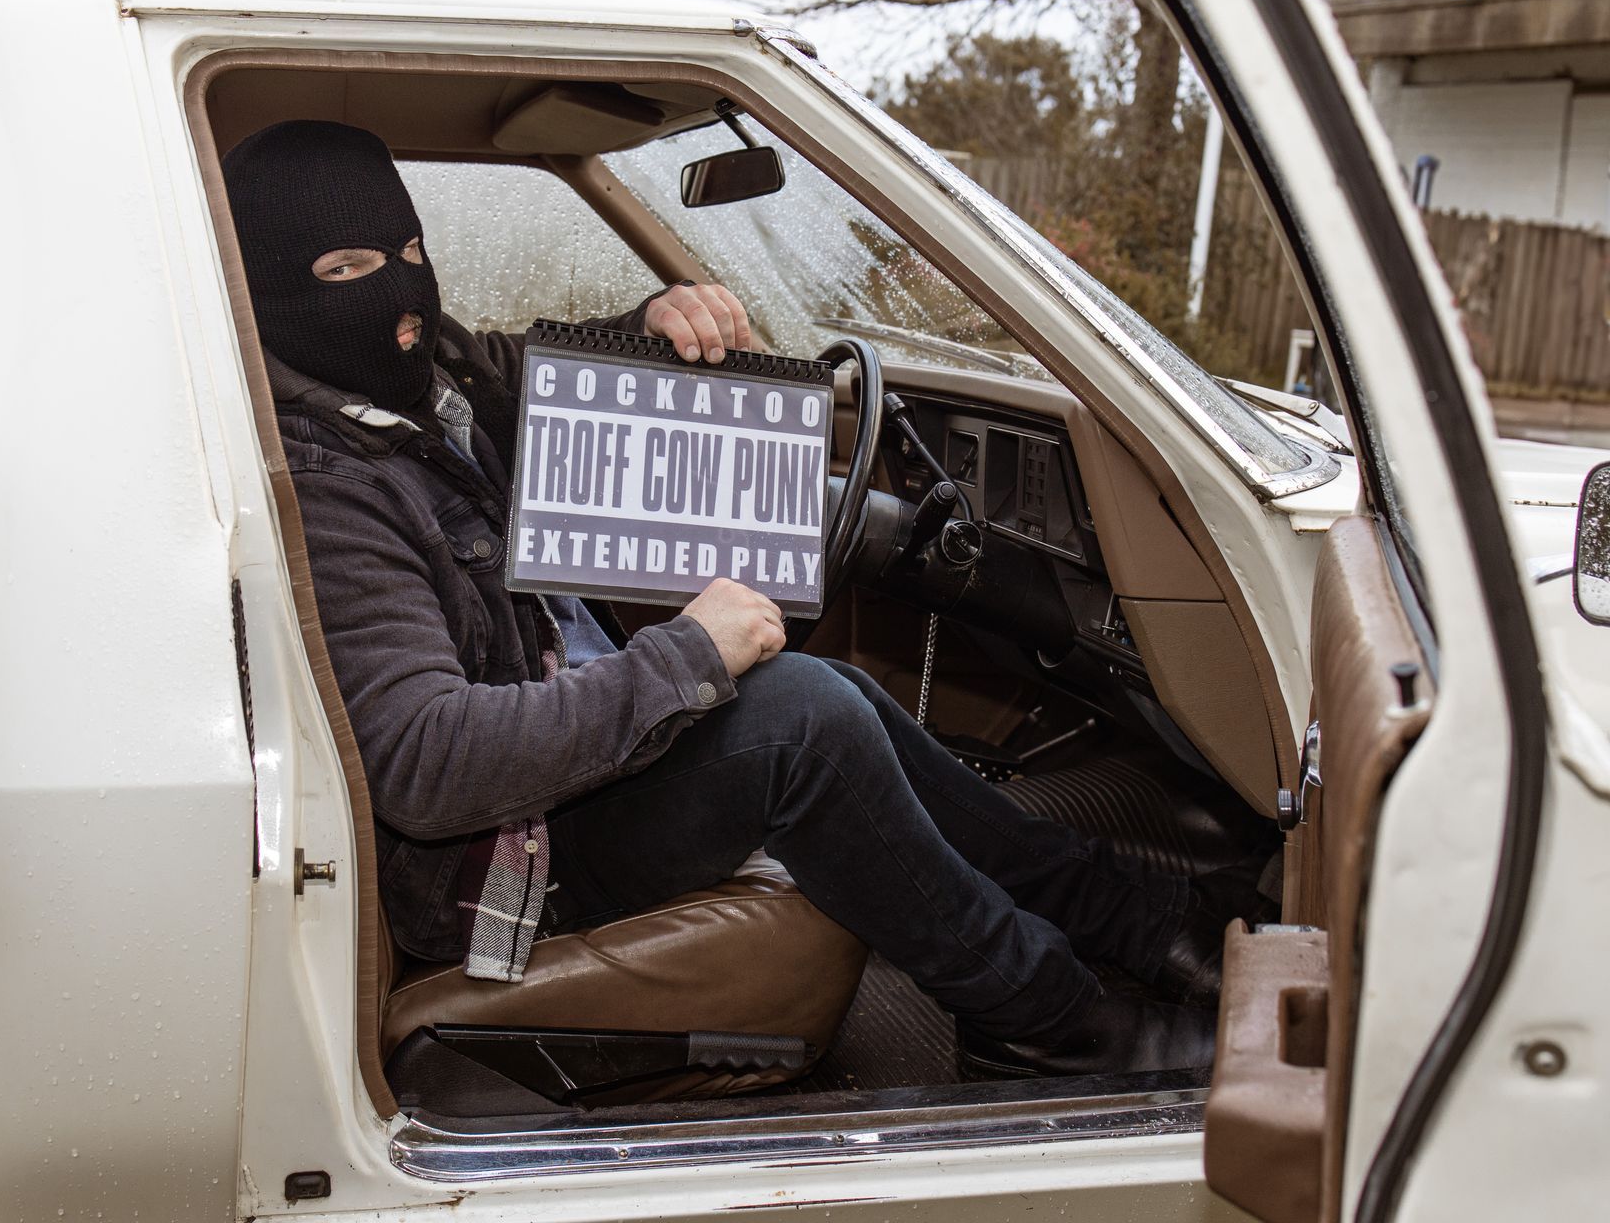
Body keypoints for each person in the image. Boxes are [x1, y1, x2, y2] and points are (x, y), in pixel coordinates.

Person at [222, 118, 1230, 1077]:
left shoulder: (427, 377)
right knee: (805, 720)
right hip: (491, 864)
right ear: (272, 293)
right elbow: (426, 762)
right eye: (346, 272)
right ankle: (1046, 1018)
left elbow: (522, 374)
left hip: (547, 781)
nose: (396, 294)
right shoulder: (329, 484)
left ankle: (1141, 920)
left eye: (408, 252)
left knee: (830, 687)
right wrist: (686, 657)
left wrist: (651, 325)